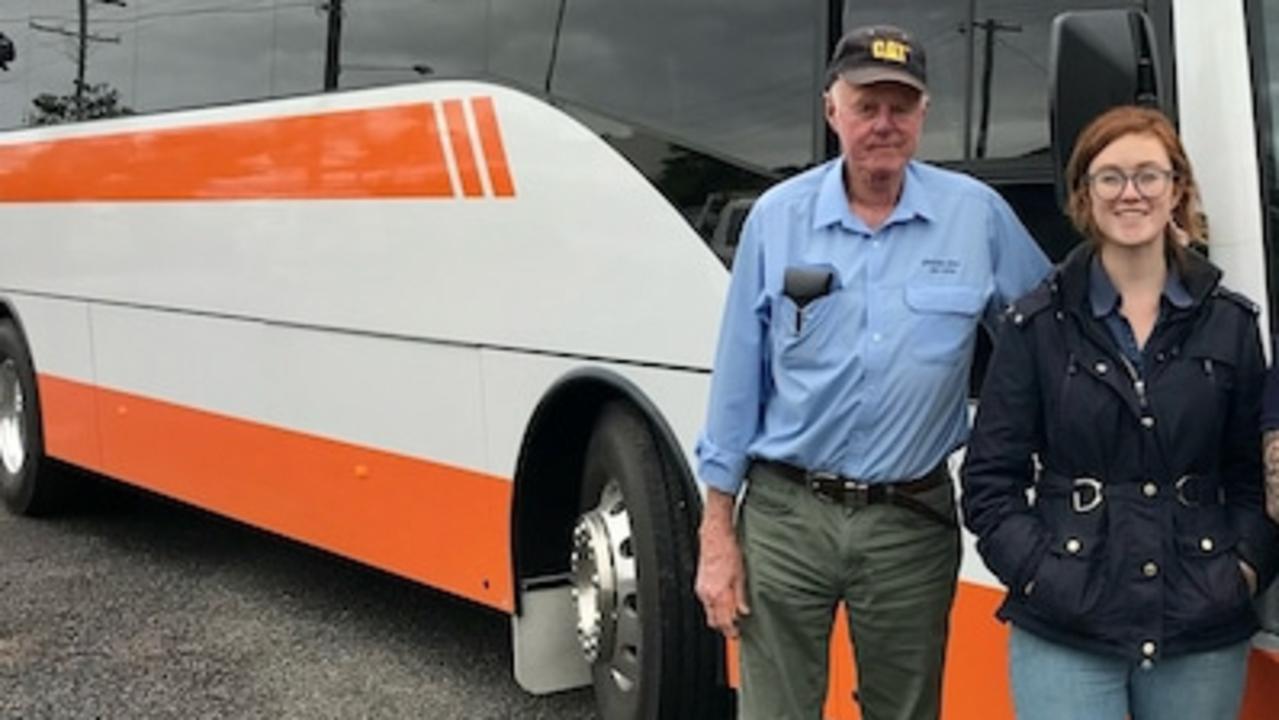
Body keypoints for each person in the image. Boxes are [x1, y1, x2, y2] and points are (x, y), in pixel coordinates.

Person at [693, 24, 1050, 720]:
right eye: (866, 106)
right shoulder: (776, 219)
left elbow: (1052, 339)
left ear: (921, 114)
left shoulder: (975, 217)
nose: (883, 124)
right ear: (832, 110)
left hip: (908, 523)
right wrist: (716, 534)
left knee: (905, 711)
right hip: (784, 517)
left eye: (900, 106)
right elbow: (737, 384)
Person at [961, 105, 1279, 720]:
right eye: (1109, 177)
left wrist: (1238, 571)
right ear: (1084, 194)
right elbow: (989, 483)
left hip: (1201, 623)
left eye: (1149, 175)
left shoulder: (1232, 325)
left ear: (1177, 189)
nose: (1130, 193)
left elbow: (1249, 474)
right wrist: (1041, 575)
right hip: (1067, 625)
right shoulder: (1035, 325)